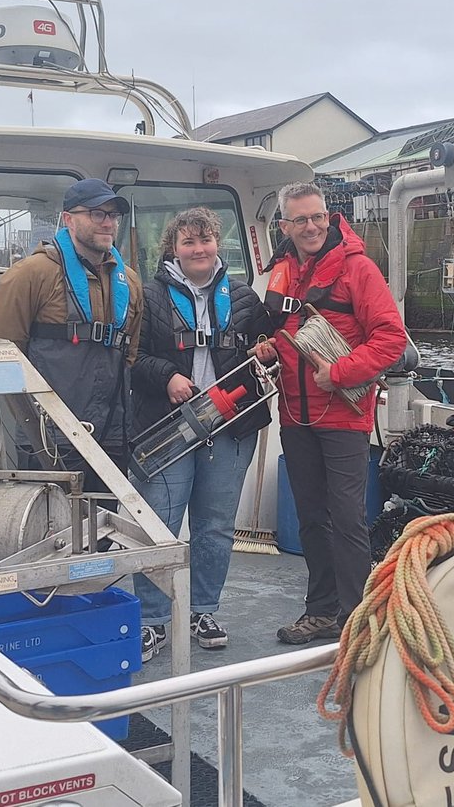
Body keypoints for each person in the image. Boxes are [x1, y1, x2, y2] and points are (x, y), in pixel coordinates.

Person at [261, 181, 406, 644]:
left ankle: (357, 615)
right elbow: (281, 329)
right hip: (295, 414)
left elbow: (390, 338)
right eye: (300, 219)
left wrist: (340, 373)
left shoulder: (358, 269)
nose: (311, 227)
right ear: (284, 225)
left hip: (343, 415)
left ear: (330, 216)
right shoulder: (283, 269)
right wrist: (266, 347)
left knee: (346, 517)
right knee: (310, 517)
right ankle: (321, 610)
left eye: (318, 217)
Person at [130, 207, 273, 663]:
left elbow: (264, 353)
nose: (199, 250)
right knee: (159, 528)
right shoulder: (148, 297)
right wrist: (167, 376)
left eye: (206, 241)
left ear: (218, 246)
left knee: (214, 528)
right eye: (189, 242)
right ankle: (152, 620)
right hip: (167, 428)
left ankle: (203, 610)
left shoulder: (246, 298)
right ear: (173, 248)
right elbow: (132, 358)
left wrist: (266, 351)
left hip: (230, 429)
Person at [0, 178, 144, 487]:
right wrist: (32, 425)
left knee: (105, 527)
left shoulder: (129, 281)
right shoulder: (29, 275)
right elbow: (6, 355)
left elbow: (130, 354)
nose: (108, 223)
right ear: (68, 219)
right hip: (49, 436)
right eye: (96, 214)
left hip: (112, 435)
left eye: (113, 215)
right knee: (47, 529)